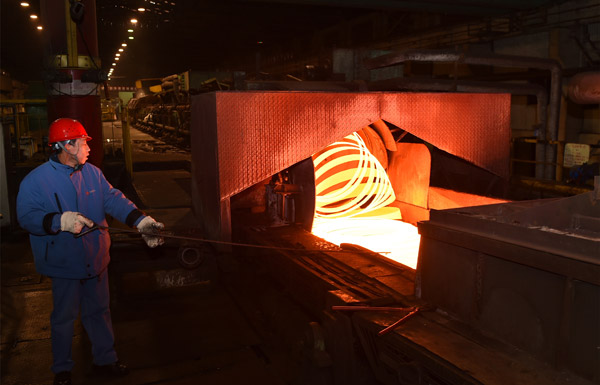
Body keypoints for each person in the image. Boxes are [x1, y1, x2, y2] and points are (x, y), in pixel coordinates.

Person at [16, 118, 164, 385]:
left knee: (99, 311)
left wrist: (140, 221)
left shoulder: (92, 173)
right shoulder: (35, 182)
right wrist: (59, 222)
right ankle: (62, 369)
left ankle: (105, 360)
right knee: (64, 317)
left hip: (95, 259)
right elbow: (26, 217)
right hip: (64, 263)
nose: (88, 147)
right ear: (67, 145)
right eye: (83, 142)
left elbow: (112, 199)